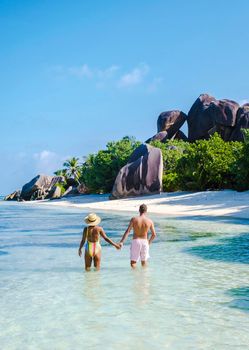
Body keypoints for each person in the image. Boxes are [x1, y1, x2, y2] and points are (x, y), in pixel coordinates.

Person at [119, 204, 156, 268]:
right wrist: (148, 243)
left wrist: (122, 242)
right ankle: (144, 276)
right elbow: (154, 235)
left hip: (136, 241)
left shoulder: (134, 219)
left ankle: (136, 276)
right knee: (144, 262)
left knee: (133, 263)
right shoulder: (150, 221)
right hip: (145, 242)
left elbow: (128, 231)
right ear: (146, 211)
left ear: (139, 210)